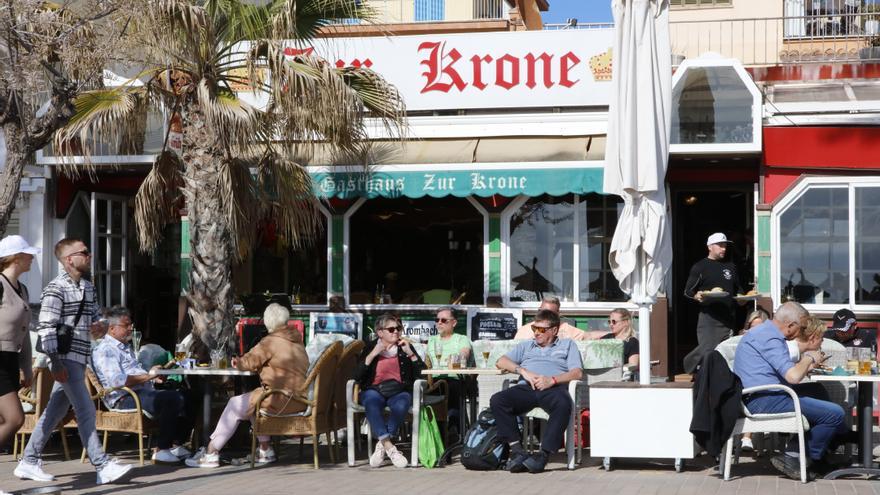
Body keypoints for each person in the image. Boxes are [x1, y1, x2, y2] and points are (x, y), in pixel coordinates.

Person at [15, 238, 132, 486]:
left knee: (54, 411)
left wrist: (99, 327)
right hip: (64, 357)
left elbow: (95, 319)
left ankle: (29, 459)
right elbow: (46, 327)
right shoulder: (56, 288)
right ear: (69, 259)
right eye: (84, 253)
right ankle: (101, 464)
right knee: (86, 409)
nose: (89, 256)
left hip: (81, 356)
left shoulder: (88, 287)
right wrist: (55, 362)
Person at [733, 301, 849, 480]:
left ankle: (827, 444)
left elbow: (783, 371)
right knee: (834, 414)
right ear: (791, 325)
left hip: (765, 394)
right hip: (762, 399)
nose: (803, 332)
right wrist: (809, 357)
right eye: (802, 327)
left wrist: (805, 364)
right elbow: (793, 377)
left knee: (817, 390)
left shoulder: (766, 333)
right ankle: (794, 456)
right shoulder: (770, 338)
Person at [187, 303, 308, 468]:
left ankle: (211, 451)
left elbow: (248, 362)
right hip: (299, 399)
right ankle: (265, 450)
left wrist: (237, 361)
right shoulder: (296, 341)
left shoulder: (271, 341)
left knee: (235, 404)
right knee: (251, 402)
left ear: (268, 322)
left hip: (279, 400)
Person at [91, 306, 193, 463]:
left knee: (191, 395)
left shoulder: (124, 347)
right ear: (112, 329)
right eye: (126, 325)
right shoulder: (106, 350)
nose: (131, 328)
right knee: (172, 398)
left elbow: (136, 373)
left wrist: (153, 377)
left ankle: (175, 444)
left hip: (141, 392)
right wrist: (147, 377)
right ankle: (161, 449)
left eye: (131, 325)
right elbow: (118, 381)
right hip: (124, 398)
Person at [491, 309, 583, 474]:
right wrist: (522, 371)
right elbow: (501, 361)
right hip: (526, 387)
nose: (536, 333)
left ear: (554, 330)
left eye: (541, 329)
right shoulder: (527, 345)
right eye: (534, 329)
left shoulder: (567, 344)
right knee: (498, 400)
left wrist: (552, 380)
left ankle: (543, 455)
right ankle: (518, 451)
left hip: (553, 388)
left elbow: (577, 373)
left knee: (563, 404)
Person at [355, 313, 425, 469]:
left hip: (399, 390)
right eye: (391, 329)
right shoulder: (370, 346)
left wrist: (411, 354)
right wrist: (373, 354)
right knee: (371, 403)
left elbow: (422, 374)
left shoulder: (405, 347)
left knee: (402, 404)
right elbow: (357, 375)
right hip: (374, 389)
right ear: (380, 332)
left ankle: (381, 445)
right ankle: (390, 448)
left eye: (398, 328)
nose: (396, 332)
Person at [0, 236, 39, 495]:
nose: (32, 257)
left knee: (8, 419)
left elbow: (24, 335)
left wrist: (26, 368)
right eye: (28, 254)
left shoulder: (22, 289)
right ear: (15, 257)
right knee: (14, 419)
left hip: (10, 359)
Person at [683, 232, 744, 373]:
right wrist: (696, 295)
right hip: (709, 317)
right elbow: (687, 291)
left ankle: (714, 376)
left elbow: (738, 290)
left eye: (725, 246)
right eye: (720, 245)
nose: (724, 248)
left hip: (728, 316)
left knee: (723, 350)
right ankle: (690, 366)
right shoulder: (700, 266)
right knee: (708, 349)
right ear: (710, 247)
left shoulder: (731, 267)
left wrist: (742, 299)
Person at [426, 307, 472, 429]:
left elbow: (464, 356)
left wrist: (454, 359)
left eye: (444, 320)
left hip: (455, 378)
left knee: (451, 388)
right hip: (433, 380)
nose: (439, 322)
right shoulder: (431, 340)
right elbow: (426, 362)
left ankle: (453, 430)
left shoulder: (461, 339)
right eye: (437, 320)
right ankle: (440, 432)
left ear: (454, 323)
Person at [738, 307, 769, 451]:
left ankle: (747, 437)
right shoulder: (740, 343)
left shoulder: (770, 345)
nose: (755, 331)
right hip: (742, 386)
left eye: (759, 327)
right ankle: (747, 436)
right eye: (752, 327)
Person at [514, 296, 586, 340]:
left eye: (550, 314)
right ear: (539, 311)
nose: (546, 316)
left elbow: (587, 336)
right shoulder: (524, 330)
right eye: (544, 313)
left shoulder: (566, 329)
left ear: (558, 314)